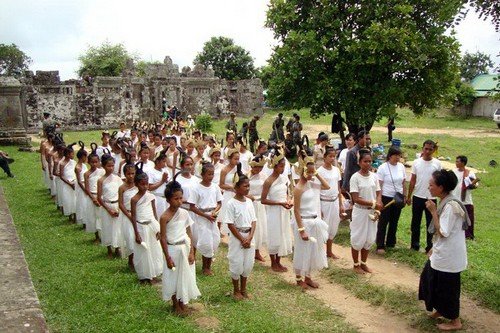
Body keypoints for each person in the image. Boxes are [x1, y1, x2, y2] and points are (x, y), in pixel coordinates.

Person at [418, 170, 468, 331]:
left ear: (441, 187)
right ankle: (440, 309)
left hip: (449, 256)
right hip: (442, 252)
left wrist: (433, 212)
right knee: (431, 279)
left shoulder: (451, 207)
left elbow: (443, 232)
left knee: (448, 288)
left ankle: (455, 321)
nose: (429, 187)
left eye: (432, 184)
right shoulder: (446, 201)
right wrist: (434, 247)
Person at [160, 174, 200, 315]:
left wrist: (191, 252)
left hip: (185, 247)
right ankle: (175, 304)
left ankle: (183, 302)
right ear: (168, 200)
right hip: (173, 249)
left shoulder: (184, 213)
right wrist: (168, 257)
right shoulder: (164, 217)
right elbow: (163, 238)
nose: (179, 201)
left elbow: (189, 232)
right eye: (175, 198)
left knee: (185, 276)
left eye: (181, 198)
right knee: (173, 277)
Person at [292, 143, 330, 289]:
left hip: (315, 220)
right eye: (308, 172)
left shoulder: (312, 184)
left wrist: (317, 174)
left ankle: (308, 276)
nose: (310, 174)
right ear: (302, 171)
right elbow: (296, 210)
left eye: (311, 172)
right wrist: (301, 229)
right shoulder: (298, 188)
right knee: (302, 250)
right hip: (304, 222)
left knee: (312, 250)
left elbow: (327, 187)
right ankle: (298, 277)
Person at [224, 164, 256, 300]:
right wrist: (242, 239)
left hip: (249, 235)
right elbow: (230, 224)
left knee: (248, 263)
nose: (247, 188)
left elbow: (254, 221)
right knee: (236, 262)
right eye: (245, 186)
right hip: (238, 237)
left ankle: (243, 289)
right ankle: (236, 290)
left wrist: (249, 237)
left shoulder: (249, 201)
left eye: (248, 186)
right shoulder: (231, 203)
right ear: (236, 187)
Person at [349, 149, 382, 274]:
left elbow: (378, 193)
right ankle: (356, 264)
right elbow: (356, 198)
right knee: (358, 238)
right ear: (359, 162)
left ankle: (363, 263)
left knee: (369, 238)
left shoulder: (374, 176)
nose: (367, 164)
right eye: (365, 161)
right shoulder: (355, 178)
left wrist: (377, 209)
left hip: (372, 212)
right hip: (360, 212)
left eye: (370, 161)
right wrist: (373, 203)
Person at [188, 162, 223, 275]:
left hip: (212, 217)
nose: (211, 177)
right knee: (205, 242)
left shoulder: (215, 187)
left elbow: (219, 202)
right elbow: (192, 207)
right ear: (202, 174)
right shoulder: (196, 188)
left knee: (213, 241)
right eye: (209, 174)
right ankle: (205, 267)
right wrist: (205, 215)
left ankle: (209, 265)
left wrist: (215, 211)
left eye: (212, 174)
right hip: (202, 218)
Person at [261, 148, 293, 272]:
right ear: (274, 166)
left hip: (284, 210)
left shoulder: (284, 179)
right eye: (280, 166)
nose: (283, 169)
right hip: (273, 211)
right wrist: (279, 203)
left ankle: (279, 261)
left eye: (284, 166)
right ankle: (273, 262)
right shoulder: (268, 181)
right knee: (274, 235)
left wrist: (288, 200)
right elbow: (263, 200)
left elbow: (287, 193)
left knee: (282, 234)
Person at [407, 140, 441, 253]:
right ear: (423, 148)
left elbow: (439, 182)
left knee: (430, 223)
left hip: (431, 198)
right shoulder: (416, 162)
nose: (427, 151)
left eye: (430, 149)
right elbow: (412, 180)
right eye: (425, 148)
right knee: (415, 222)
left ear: (433, 150)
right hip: (417, 196)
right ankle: (414, 245)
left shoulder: (437, 164)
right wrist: (409, 196)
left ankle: (429, 246)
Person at [130, 164, 163, 284]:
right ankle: (144, 276)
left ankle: (153, 274)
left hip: (151, 226)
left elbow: (155, 214)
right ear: (136, 184)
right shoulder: (134, 199)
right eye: (142, 184)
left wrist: (158, 229)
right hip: (141, 227)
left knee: (154, 251)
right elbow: (133, 217)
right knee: (143, 252)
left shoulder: (151, 196)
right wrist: (136, 233)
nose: (145, 187)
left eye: (146, 184)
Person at [375, 146, 407, 254]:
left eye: (399, 155)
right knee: (383, 221)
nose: (398, 158)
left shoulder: (401, 167)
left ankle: (390, 242)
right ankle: (380, 245)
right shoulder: (383, 167)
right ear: (390, 156)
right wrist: (379, 199)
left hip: (398, 197)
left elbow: (403, 183)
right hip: (386, 197)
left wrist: (405, 196)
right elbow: (379, 185)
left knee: (394, 221)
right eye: (396, 155)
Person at [317, 145, 344, 259]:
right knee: (323, 227)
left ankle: (329, 251)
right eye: (330, 156)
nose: (332, 158)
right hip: (324, 202)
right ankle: (320, 252)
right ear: (324, 157)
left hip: (334, 201)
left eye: (334, 156)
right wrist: (318, 208)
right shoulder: (319, 172)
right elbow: (317, 190)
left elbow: (338, 188)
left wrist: (340, 204)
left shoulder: (336, 170)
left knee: (333, 227)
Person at [97, 153, 124, 258]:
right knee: (107, 227)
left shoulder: (117, 178)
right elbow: (99, 197)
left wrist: (119, 207)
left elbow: (121, 192)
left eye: (113, 165)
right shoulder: (101, 180)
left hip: (117, 205)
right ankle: (109, 248)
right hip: (107, 206)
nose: (111, 168)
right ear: (103, 166)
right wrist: (109, 210)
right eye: (109, 166)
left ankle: (117, 247)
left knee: (117, 228)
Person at [118, 157, 138, 271]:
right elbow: (120, 204)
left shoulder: (138, 185)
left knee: (138, 237)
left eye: (133, 173)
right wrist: (128, 215)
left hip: (138, 214)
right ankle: (131, 260)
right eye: (128, 174)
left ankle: (138, 260)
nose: (131, 176)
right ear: (125, 174)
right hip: (127, 215)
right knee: (130, 238)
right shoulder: (122, 187)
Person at [247, 154, 268, 262]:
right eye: (256, 167)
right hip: (249, 203)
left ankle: (257, 251)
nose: (258, 169)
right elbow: (239, 189)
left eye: (260, 167)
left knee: (260, 227)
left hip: (260, 203)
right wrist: (248, 196)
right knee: (250, 225)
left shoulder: (263, 176)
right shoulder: (246, 176)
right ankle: (249, 248)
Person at [452, 155, 477, 240]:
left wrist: (471, 185)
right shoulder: (453, 172)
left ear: (463, 163)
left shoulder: (469, 173)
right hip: (455, 198)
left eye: (458, 161)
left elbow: (475, 184)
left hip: (466, 200)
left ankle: (468, 235)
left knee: (468, 218)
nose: (456, 163)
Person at [83, 146, 105, 243]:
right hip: (92, 196)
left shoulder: (102, 171)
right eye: (92, 162)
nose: (94, 164)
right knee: (93, 216)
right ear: (88, 162)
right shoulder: (87, 174)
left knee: (101, 216)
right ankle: (96, 236)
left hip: (101, 196)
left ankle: (104, 234)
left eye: (96, 162)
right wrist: (93, 199)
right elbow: (87, 188)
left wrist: (100, 198)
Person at [147, 153, 170, 218]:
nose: (165, 164)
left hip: (166, 199)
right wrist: (162, 181)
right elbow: (150, 187)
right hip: (157, 198)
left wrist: (167, 181)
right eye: (163, 161)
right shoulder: (151, 172)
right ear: (157, 161)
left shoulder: (166, 171)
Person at [59, 143, 77, 221]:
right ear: (67, 154)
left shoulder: (73, 162)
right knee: (68, 200)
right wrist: (69, 183)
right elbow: (62, 176)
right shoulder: (62, 164)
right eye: (72, 153)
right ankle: (70, 216)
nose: (73, 155)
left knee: (75, 200)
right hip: (67, 183)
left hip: (74, 182)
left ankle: (76, 216)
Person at [74, 142, 88, 226]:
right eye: (85, 156)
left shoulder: (84, 165)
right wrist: (85, 189)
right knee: (82, 203)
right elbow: (79, 181)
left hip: (85, 184)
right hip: (81, 186)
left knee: (86, 203)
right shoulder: (78, 167)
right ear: (82, 157)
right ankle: (83, 221)